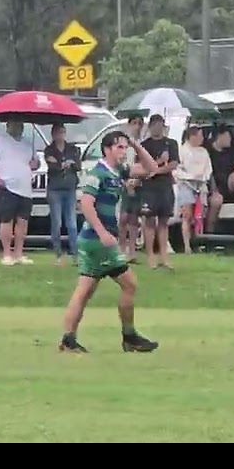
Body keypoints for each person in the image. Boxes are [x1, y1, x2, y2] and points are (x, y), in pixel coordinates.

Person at [59, 130, 160, 354]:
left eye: (124, 147)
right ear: (107, 149)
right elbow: (86, 204)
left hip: (92, 240)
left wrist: (136, 144)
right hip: (97, 241)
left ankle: (68, 339)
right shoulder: (98, 173)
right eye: (119, 147)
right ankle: (129, 336)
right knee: (129, 284)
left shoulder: (119, 171)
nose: (123, 151)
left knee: (84, 290)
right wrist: (103, 232)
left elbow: (152, 169)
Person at [0, 120, 40, 266]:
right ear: (8, 125)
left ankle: (19, 253)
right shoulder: (0, 142)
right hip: (7, 187)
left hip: (25, 189)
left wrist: (35, 164)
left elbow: (36, 163)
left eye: (20, 124)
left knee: (23, 221)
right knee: (7, 220)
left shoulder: (28, 143)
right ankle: (7, 253)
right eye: (14, 124)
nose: (18, 127)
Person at [139, 114, 179, 271]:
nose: (157, 128)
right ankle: (150, 256)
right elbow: (142, 167)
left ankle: (164, 256)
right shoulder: (144, 146)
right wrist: (159, 163)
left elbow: (174, 164)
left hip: (165, 186)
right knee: (149, 222)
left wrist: (157, 170)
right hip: (149, 188)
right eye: (154, 125)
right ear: (150, 127)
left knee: (163, 222)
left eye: (160, 125)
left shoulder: (171, 144)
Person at [43, 122, 82, 266]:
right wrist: (63, 164)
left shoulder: (72, 149)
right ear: (53, 134)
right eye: (57, 132)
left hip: (69, 188)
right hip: (55, 189)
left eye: (62, 132)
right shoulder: (49, 150)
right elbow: (52, 166)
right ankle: (58, 254)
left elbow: (78, 166)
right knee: (57, 222)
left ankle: (75, 254)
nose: (60, 135)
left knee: (72, 223)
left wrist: (70, 163)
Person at [174, 125, 212, 255]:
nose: (202, 138)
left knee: (199, 216)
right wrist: (190, 177)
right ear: (192, 136)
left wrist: (202, 177)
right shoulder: (182, 150)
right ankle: (186, 246)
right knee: (187, 215)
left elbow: (208, 169)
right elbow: (177, 170)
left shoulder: (204, 152)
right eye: (200, 135)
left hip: (200, 185)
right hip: (186, 185)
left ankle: (198, 242)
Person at [120, 115, 146, 262]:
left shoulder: (142, 145)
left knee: (134, 218)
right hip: (124, 182)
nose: (137, 126)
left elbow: (145, 164)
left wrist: (137, 180)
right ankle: (121, 248)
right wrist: (125, 182)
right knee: (123, 217)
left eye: (140, 123)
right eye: (134, 123)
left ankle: (132, 251)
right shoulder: (123, 145)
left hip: (139, 183)